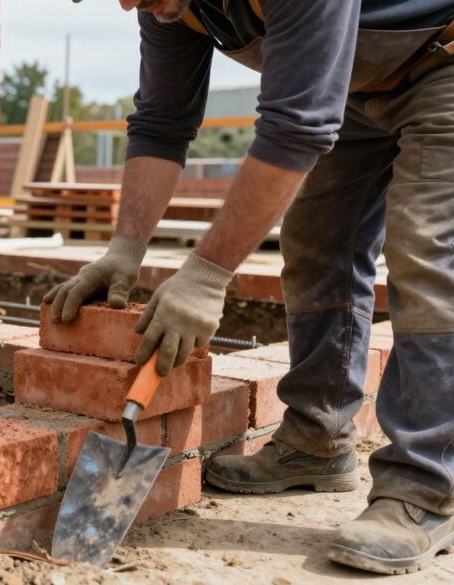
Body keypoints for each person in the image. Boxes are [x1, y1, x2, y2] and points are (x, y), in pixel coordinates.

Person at [46, 0, 454, 575]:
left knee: (426, 252)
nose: (127, 2)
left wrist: (208, 276)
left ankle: (424, 489)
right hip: (355, 85)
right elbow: (162, 121)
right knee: (316, 241)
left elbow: (296, 125)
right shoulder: (168, 7)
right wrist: (125, 248)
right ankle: (319, 438)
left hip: (443, 62)